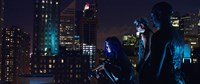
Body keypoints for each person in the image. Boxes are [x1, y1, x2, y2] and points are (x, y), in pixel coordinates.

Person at [143, 2, 185, 84]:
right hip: (178, 80)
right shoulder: (179, 34)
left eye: (152, 16)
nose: (152, 19)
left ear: (159, 14)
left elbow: (155, 69)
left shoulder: (160, 35)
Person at [133, 17, 154, 84]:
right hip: (150, 64)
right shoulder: (150, 32)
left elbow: (147, 50)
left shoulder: (145, 34)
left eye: (137, 26)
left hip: (146, 65)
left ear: (142, 25)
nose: (136, 28)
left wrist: (141, 64)